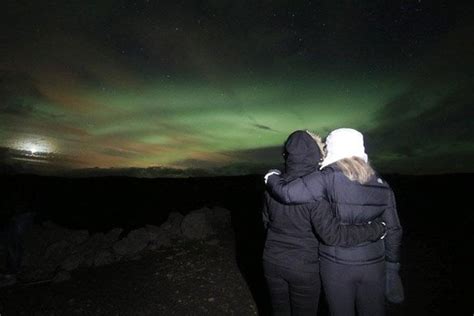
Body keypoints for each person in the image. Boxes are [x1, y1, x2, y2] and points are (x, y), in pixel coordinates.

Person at [265, 128, 403, 316]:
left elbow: (276, 208)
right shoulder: (381, 185)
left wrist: (272, 176)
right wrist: (390, 260)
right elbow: (393, 229)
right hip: (351, 264)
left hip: (302, 262)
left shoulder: (315, 180)